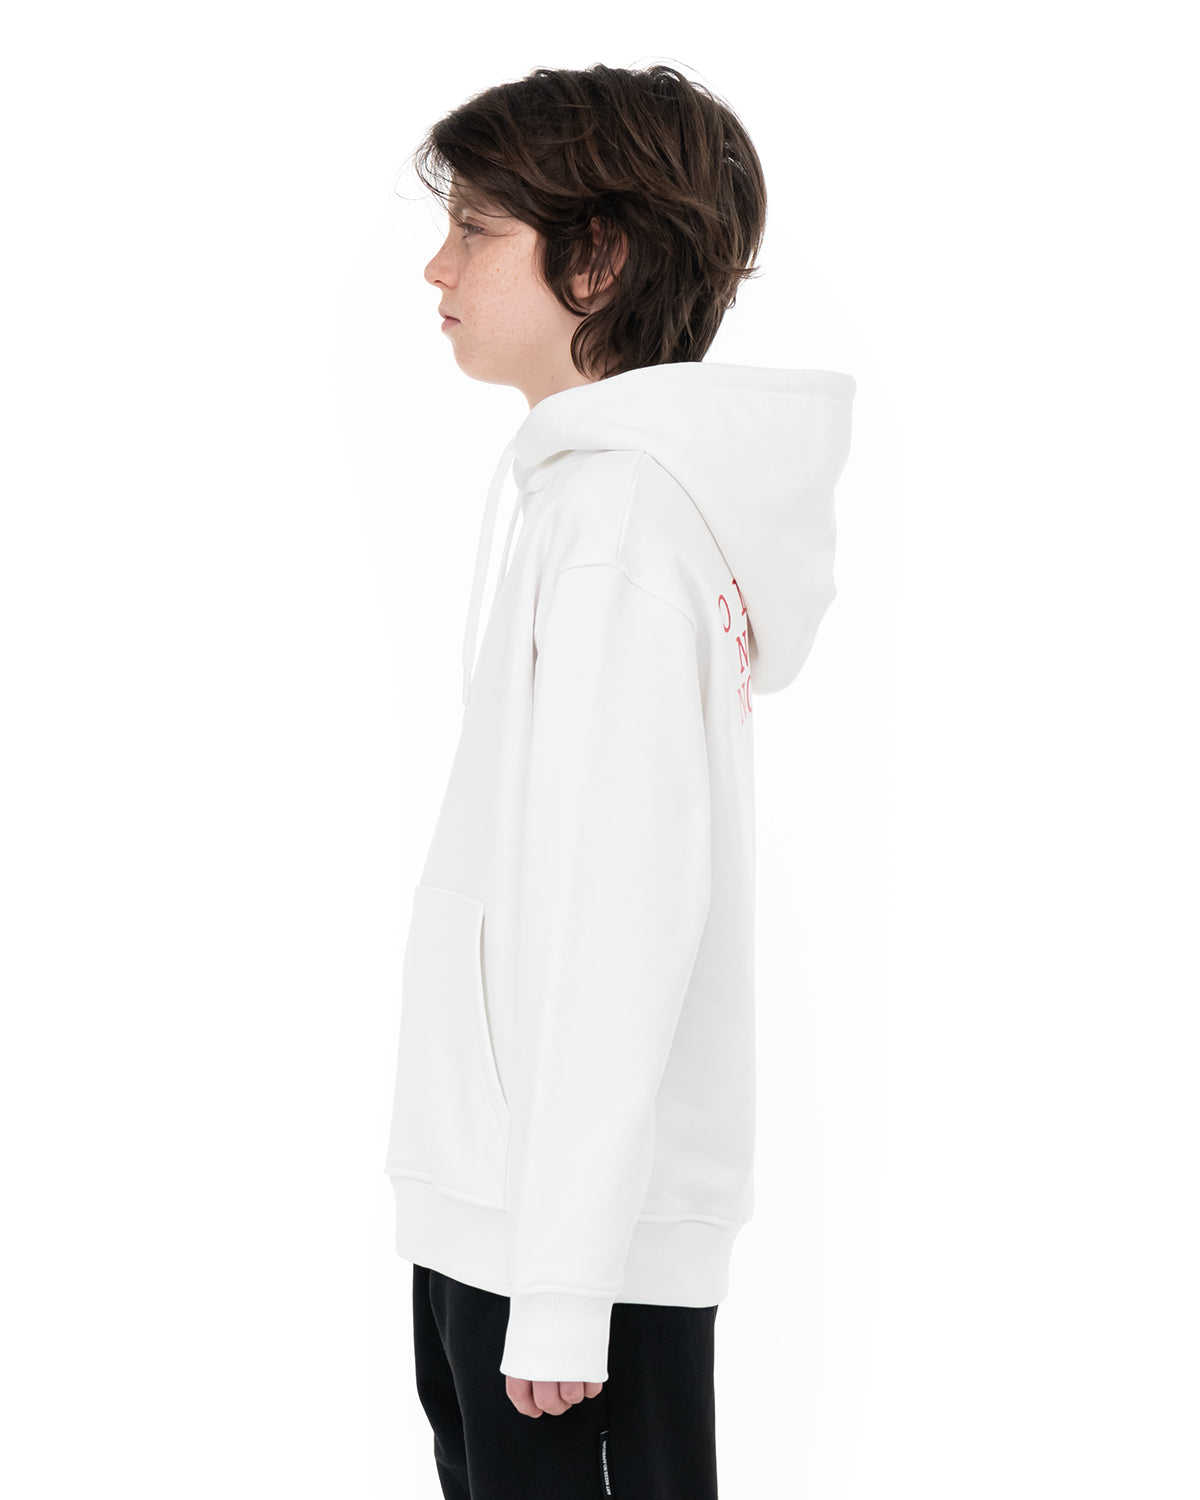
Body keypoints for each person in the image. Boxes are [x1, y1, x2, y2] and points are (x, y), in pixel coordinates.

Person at [382, 61, 856, 1499]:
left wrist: (561, 1284)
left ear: (596, 260)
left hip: (562, 1259)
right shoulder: (591, 505)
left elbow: (619, 917)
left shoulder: (619, 529)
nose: (436, 267)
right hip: (516, 1224)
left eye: (475, 229)